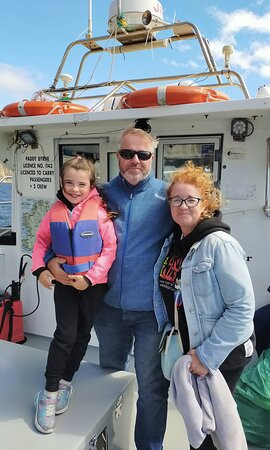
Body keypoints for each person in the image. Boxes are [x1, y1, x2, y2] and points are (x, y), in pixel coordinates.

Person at [48, 126, 173, 450]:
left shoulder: (167, 195)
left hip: (149, 313)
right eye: (128, 153)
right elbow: (59, 228)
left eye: (143, 154)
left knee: (151, 388)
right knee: (108, 380)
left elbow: (194, 227)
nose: (135, 160)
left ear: (152, 157)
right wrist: (48, 262)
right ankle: (106, 441)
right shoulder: (97, 194)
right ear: (118, 156)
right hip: (107, 310)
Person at [154, 161, 255, 450]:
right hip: (191, 350)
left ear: (206, 203)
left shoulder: (219, 244)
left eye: (191, 199)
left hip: (219, 354)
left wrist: (206, 356)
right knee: (198, 424)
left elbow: (242, 310)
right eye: (176, 199)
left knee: (213, 434)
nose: (182, 205)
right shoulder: (175, 242)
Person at [31, 156, 116, 434]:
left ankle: (67, 381)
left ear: (91, 185)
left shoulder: (100, 212)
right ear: (61, 182)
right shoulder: (52, 211)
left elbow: (109, 250)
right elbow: (41, 242)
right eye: (69, 182)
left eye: (81, 184)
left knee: (81, 335)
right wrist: (41, 268)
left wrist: (90, 279)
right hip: (65, 284)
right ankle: (49, 393)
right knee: (64, 335)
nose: (74, 189)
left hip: (92, 286)